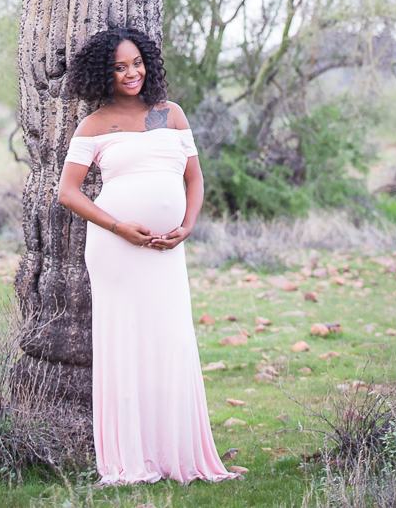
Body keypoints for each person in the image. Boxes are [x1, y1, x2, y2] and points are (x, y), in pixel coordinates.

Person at [57, 25, 236, 486]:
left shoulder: (171, 114)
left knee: (172, 342)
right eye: (119, 67)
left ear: (147, 63)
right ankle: (130, 459)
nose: (131, 72)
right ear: (105, 74)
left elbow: (194, 180)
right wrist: (120, 227)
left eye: (136, 62)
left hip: (166, 250)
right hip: (117, 250)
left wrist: (187, 227)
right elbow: (68, 193)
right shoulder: (94, 125)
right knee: (126, 346)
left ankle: (177, 454)